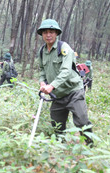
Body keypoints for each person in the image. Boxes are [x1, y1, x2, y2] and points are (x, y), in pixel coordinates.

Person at [37, 19, 93, 147]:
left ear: (56, 33)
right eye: (45, 32)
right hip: (57, 95)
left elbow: (66, 71)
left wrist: (51, 85)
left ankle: (90, 146)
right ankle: (60, 149)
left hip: (73, 91)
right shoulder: (42, 52)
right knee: (57, 125)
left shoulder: (64, 48)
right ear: (42, 34)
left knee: (82, 121)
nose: (48, 35)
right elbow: (41, 71)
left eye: (51, 32)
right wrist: (42, 83)